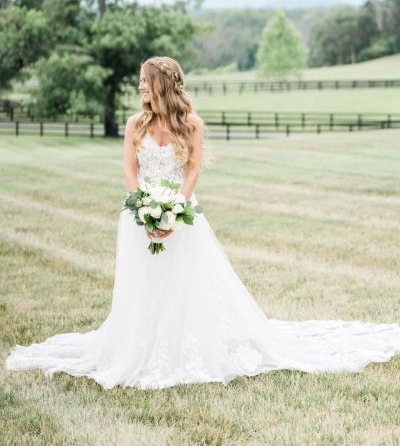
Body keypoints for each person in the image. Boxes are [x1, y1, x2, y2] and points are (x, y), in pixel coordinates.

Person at [5, 55, 400, 390]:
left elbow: (192, 171)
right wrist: (143, 208)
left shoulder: (191, 124)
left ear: (163, 85)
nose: (140, 87)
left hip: (183, 214)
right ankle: (141, 342)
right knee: (143, 281)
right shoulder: (134, 125)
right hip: (138, 215)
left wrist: (175, 208)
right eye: (140, 82)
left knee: (185, 280)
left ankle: (185, 343)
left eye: (145, 82)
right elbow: (129, 170)